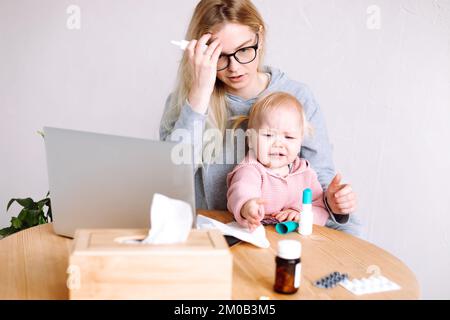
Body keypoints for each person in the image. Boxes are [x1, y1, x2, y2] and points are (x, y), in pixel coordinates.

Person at [160, 0, 361, 236]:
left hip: (285, 238)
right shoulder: (188, 101)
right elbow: (170, 182)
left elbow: (321, 184)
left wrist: (338, 208)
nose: (234, 67)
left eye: (244, 50)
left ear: (260, 37)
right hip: (214, 239)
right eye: (220, 56)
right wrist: (200, 94)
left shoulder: (297, 97)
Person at [227, 92, 330, 232]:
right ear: (250, 139)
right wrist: (248, 206)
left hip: (294, 239)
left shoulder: (305, 173)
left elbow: (320, 208)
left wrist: (301, 215)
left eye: (289, 137)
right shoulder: (251, 169)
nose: (278, 144)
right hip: (257, 234)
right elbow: (242, 190)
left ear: (300, 143)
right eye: (268, 135)